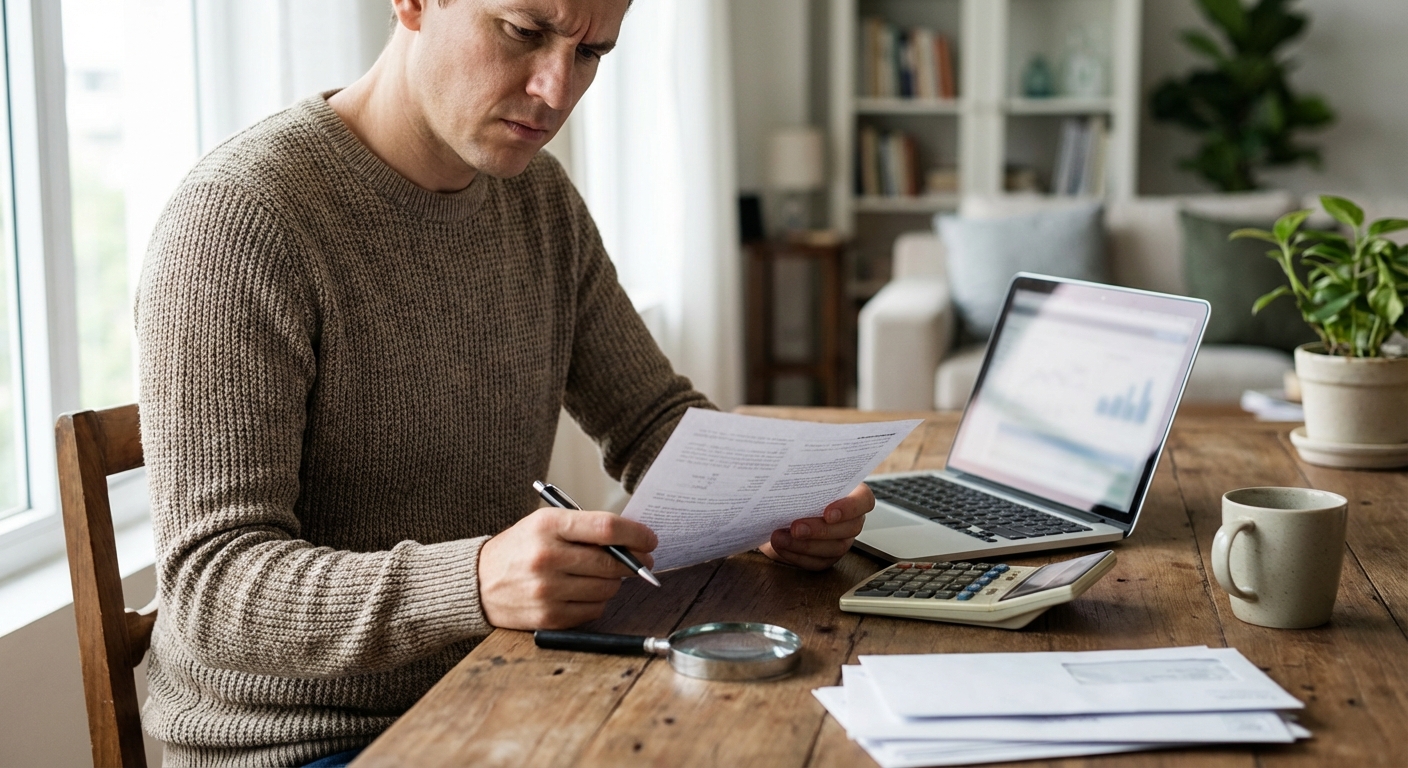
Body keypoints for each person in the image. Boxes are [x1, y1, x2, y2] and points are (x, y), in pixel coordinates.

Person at [136, 0, 873, 765]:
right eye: (523, 32)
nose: (557, 90)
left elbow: (651, 414)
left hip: (504, 683)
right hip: (305, 741)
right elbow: (211, 587)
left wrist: (774, 501)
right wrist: (477, 579)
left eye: (592, 54)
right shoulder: (241, 218)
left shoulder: (539, 199)